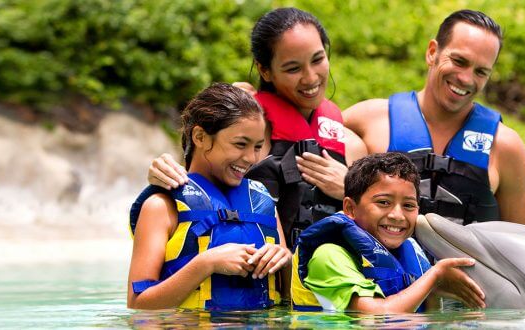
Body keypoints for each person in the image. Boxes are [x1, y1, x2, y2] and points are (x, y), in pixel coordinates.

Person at [148, 7, 368, 247]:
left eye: (318, 59)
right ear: (264, 70)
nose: (310, 78)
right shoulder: (243, 132)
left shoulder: (351, 144)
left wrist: (351, 191)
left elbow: (380, 226)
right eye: (293, 68)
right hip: (260, 272)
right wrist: (164, 174)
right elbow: (194, 197)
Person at [343, 10, 525, 226]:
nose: (465, 79)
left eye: (481, 72)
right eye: (459, 61)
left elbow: (524, 247)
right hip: (381, 260)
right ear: (432, 52)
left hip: (467, 260)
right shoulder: (367, 120)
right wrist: (344, 180)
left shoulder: (506, 147)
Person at [126, 83, 292, 310]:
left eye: (258, 146)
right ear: (200, 137)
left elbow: (287, 298)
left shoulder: (264, 203)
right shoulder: (161, 207)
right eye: (240, 144)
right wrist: (206, 263)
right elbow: (138, 305)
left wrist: (284, 260)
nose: (251, 158)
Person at [291, 152, 486, 312]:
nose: (397, 215)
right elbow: (380, 317)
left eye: (409, 205)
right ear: (350, 208)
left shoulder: (412, 250)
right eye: (383, 202)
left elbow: (428, 319)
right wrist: (435, 277)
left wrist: (434, 291)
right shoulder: (329, 256)